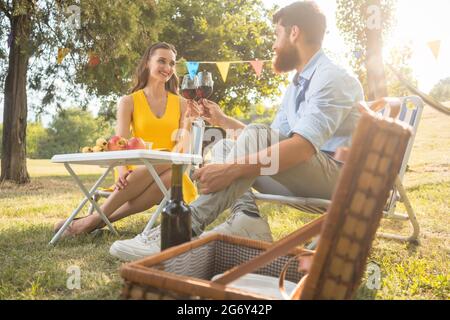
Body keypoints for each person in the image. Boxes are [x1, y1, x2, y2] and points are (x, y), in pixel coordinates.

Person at [109, 1, 364, 261]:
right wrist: (223, 120)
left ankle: (182, 226)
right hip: (302, 175)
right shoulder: (297, 84)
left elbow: (300, 147)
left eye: (277, 34)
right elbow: (266, 142)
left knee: (247, 143)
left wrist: (230, 170)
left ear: (294, 33)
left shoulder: (331, 77)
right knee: (222, 147)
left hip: (339, 180)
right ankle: (248, 219)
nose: (274, 45)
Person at [54, 42, 199, 238]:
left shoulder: (182, 103)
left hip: (173, 166)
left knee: (169, 170)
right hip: (134, 171)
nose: (167, 68)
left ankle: (93, 221)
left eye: (172, 63)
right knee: (166, 177)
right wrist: (121, 169)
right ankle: (94, 222)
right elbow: (118, 143)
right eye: (162, 61)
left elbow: (184, 146)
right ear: (148, 62)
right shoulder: (128, 101)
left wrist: (188, 121)